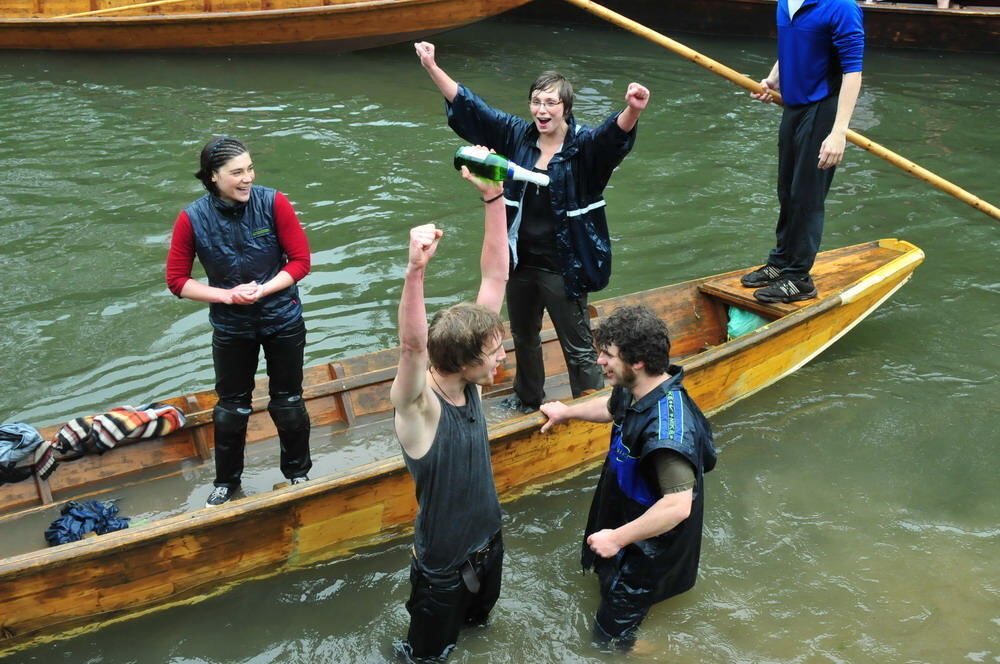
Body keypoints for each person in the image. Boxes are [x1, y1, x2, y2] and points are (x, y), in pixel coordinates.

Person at [415, 41, 650, 413]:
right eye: (537, 102)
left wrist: (632, 110)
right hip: (519, 260)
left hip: (564, 266)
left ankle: (587, 405)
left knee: (576, 346)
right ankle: (528, 398)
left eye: (551, 103)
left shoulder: (584, 147)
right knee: (523, 336)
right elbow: (472, 107)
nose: (542, 110)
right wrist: (431, 65)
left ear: (565, 108)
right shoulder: (516, 136)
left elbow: (611, 138)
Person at [538, 305, 717, 647]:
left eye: (607, 355)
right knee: (604, 583)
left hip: (649, 548)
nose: (600, 362)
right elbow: (610, 408)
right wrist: (568, 413)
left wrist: (617, 539)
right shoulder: (635, 387)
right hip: (623, 510)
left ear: (637, 361)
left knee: (609, 641)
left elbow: (678, 507)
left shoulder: (668, 432)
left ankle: (658, 652)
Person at [390, 157, 510, 662]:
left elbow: (497, 273)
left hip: (490, 547)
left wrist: (493, 196)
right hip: (441, 571)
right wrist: (416, 269)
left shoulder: (475, 384)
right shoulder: (419, 408)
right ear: (463, 362)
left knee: (480, 637)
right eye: (494, 352)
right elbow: (413, 348)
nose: (503, 357)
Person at [165, 136, 313, 507]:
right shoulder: (191, 218)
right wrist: (227, 296)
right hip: (232, 326)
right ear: (213, 177)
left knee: (288, 401)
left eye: (249, 169)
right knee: (231, 407)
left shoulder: (273, 202)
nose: (247, 178)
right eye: (236, 172)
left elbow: (300, 262)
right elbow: (177, 281)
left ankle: (297, 475)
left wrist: (263, 290)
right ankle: (226, 483)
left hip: (282, 318)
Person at [741, 0, 864, 304]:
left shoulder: (842, 7)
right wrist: (772, 80)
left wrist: (838, 133)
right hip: (794, 107)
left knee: (807, 196)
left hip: (824, 107)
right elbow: (792, 48)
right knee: (787, 191)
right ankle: (781, 261)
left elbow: (853, 72)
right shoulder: (786, 3)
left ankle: (799, 278)